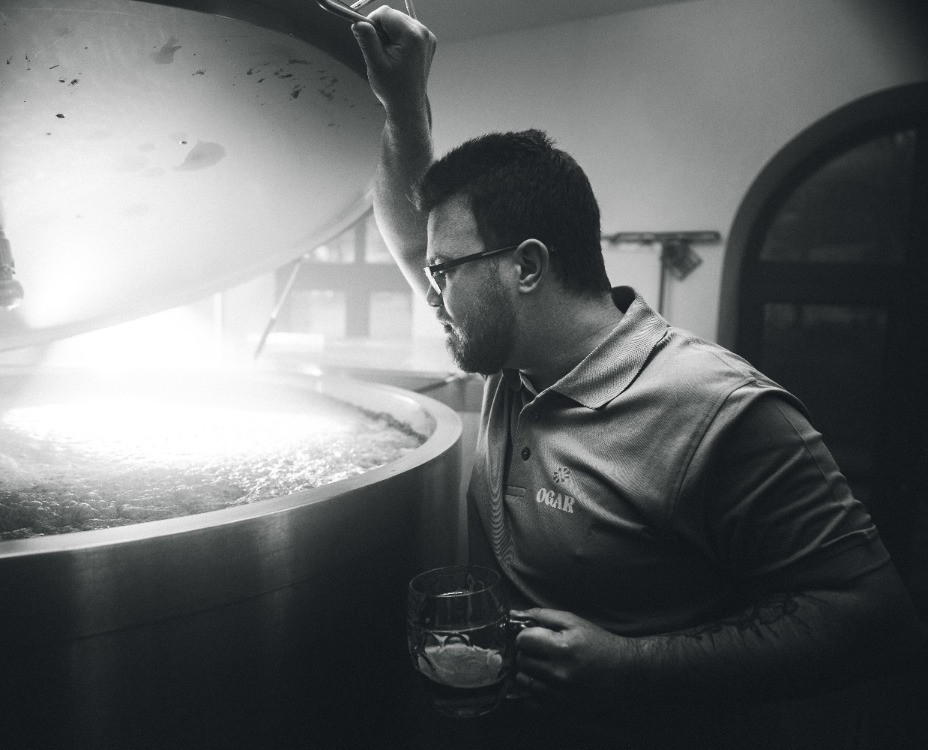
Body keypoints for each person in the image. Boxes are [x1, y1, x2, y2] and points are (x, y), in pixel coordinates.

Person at [350, 7, 926, 748]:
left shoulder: (719, 409)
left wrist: (630, 666)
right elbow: (412, 235)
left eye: (444, 272)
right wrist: (402, 104)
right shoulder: (514, 364)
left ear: (527, 267)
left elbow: (875, 621)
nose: (432, 293)